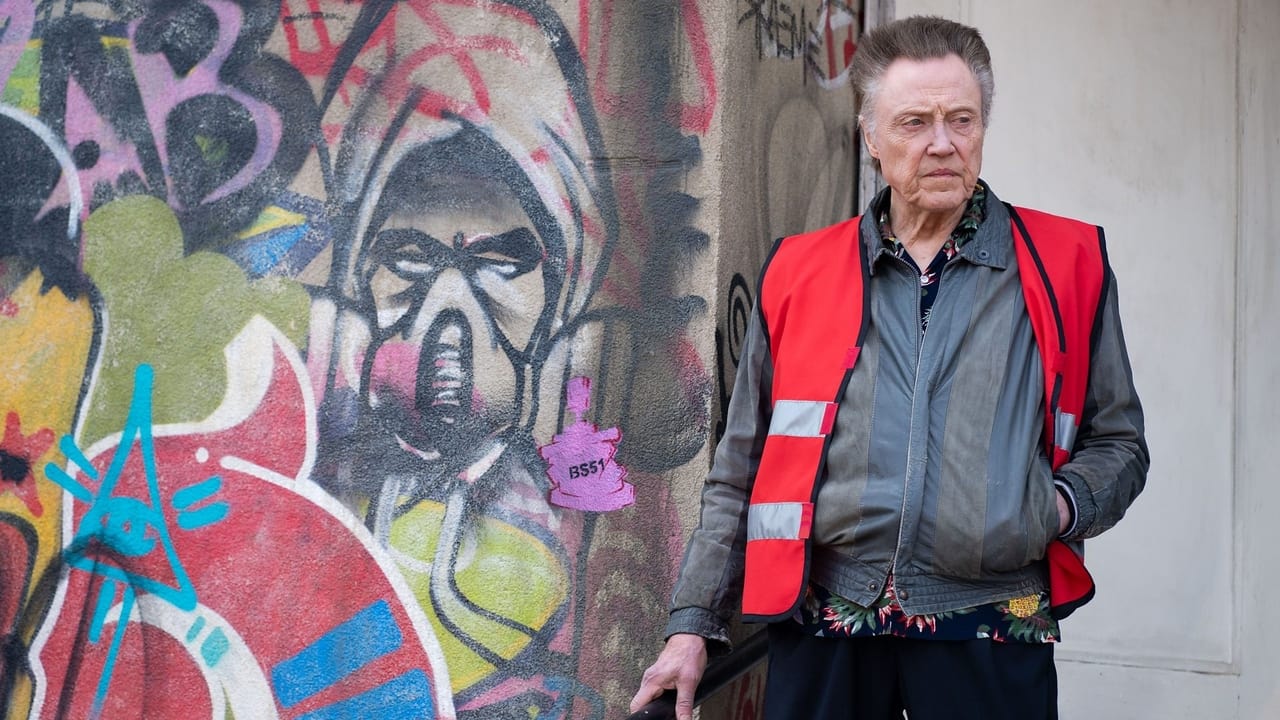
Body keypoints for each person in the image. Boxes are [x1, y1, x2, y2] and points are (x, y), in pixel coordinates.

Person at [630, 15, 1147, 720]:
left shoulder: (1066, 262)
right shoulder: (800, 270)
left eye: (961, 119)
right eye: (914, 123)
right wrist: (693, 624)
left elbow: (1119, 442)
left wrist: (1051, 508)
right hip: (826, 623)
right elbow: (741, 464)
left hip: (994, 624)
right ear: (870, 138)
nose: (943, 143)